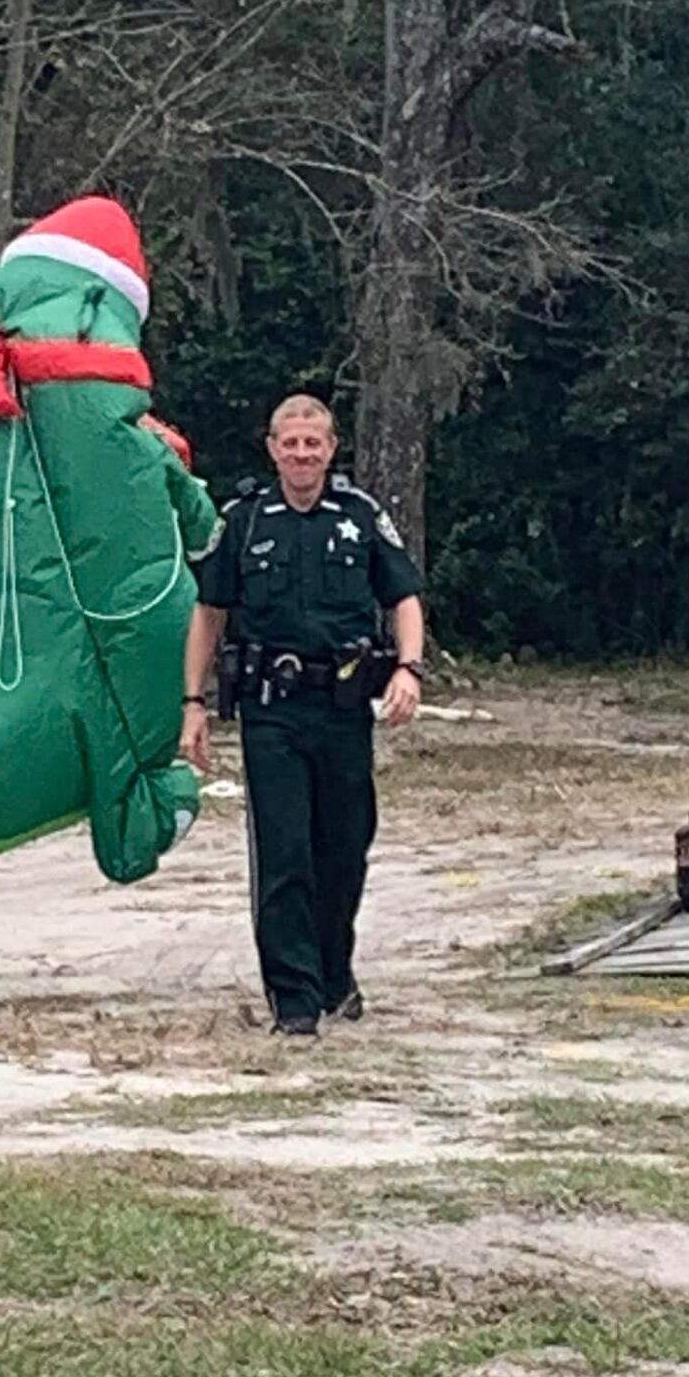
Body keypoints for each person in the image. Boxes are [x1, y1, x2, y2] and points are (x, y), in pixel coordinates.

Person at [179, 393, 424, 1036]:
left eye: (313, 443)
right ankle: (294, 1000)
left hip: (343, 709)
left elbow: (403, 596)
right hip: (272, 713)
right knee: (284, 852)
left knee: (344, 850)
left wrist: (409, 667)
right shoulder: (244, 522)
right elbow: (209, 614)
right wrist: (193, 703)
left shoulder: (360, 516)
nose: (302, 454)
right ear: (272, 449)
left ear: (331, 448)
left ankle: (334, 974)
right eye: (290, 443)